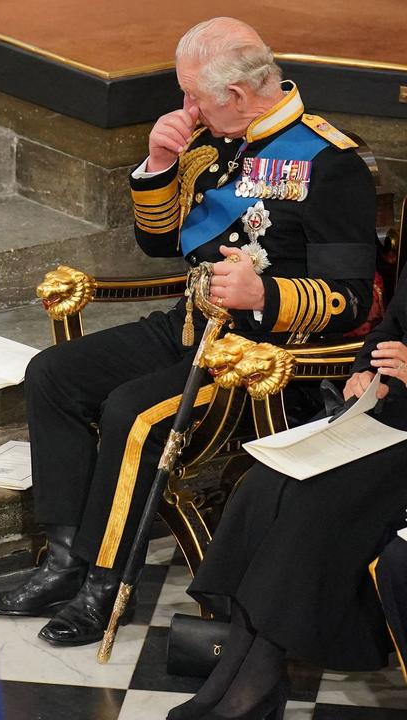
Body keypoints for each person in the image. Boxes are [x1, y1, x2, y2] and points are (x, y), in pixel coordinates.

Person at [0, 16, 379, 648]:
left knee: (131, 411)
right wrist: (159, 162)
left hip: (257, 359)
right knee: (53, 374)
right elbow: (160, 240)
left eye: (195, 96)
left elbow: (355, 301)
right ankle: (62, 563)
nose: (185, 107)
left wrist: (267, 295)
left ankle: (106, 585)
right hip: (188, 327)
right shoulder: (208, 140)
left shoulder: (328, 161)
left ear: (239, 95)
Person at [167, 268, 407, 720]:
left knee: (318, 504)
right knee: (268, 482)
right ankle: (235, 668)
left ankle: (255, 685)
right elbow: (392, 326)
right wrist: (363, 372)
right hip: (390, 414)